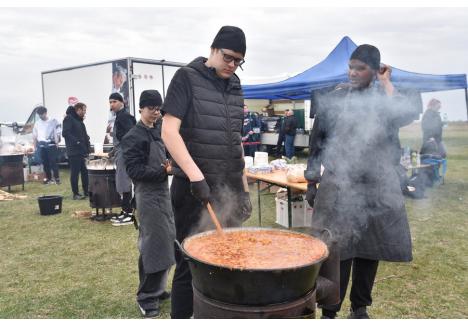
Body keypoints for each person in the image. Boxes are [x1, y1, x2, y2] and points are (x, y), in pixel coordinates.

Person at [305, 44, 414, 319]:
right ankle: (330, 309)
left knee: (370, 248)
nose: (353, 73)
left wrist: (386, 82)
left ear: (375, 70)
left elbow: (405, 114)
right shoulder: (334, 98)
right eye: (351, 67)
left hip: (376, 186)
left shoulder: (384, 101)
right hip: (339, 184)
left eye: (360, 68)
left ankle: (360, 307)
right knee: (337, 248)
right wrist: (311, 181)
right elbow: (316, 143)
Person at [161, 25, 252, 319]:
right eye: (228, 57)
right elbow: (169, 131)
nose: (232, 64)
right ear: (213, 50)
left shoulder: (236, 85)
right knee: (191, 264)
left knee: (231, 260)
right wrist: (195, 176)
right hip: (194, 190)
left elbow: (235, 142)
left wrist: (245, 189)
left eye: (238, 60)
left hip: (229, 189)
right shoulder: (186, 78)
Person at [121, 90, 174, 318]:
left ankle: (158, 288)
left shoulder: (158, 130)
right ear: (141, 108)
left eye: (157, 108)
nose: (155, 112)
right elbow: (135, 171)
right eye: (150, 108)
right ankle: (146, 297)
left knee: (166, 242)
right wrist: (163, 171)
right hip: (148, 197)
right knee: (153, 246)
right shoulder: (133, 137)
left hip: (163, 194)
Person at [107, 93, 137, 226]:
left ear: (121, 102)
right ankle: (125, 211)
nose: (111, 105)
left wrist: (125, 152)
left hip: (125, 154)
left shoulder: (124, 117)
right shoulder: (120, 116)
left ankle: (129, 214)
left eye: (114, 102)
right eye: (110, 102)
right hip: (120, 153)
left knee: (124, 183)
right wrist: (113, 151)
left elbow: (130, 137)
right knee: (121, 182)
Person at [62, 102, 90, 200]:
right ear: (78, 110)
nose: (85, 112)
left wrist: (87, 142)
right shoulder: (69, 118)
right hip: (74, 151)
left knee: (85, 172)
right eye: (84, 110)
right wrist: (77, 142)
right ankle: (75, 193)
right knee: (75, 172)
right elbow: (65, 133)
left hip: (82, 151)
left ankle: (86, 191)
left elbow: (82, 133)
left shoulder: (79, 120)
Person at [32, 106, 61, 184]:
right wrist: (34, 147)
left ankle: (57, 178)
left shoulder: (53, 121)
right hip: (41, 145)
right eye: (39, 115)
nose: (41, 116)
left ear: (45, 113)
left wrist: (57, 142)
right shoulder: (37, 123)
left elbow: (58, 132)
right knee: (45, 163)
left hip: (51, 144)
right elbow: (34, 135)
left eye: (42, 114)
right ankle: (48, 178)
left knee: (53, 162)